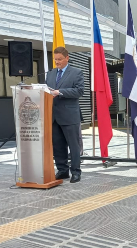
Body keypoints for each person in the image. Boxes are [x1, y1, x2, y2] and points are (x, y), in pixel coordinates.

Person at [46, 47, 84, 183]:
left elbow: (79, 91)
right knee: (58, 145)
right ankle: (62, 171)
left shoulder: (76, 72)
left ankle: (76, 172)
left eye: (60, 59)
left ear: (67, 58)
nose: (57, 62)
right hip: (54, 116)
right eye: (55, 60)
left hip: (69, 115)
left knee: (73, 145)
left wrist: (59, 92)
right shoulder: (50, 74)